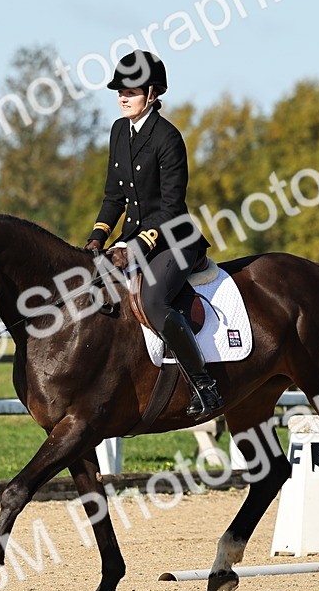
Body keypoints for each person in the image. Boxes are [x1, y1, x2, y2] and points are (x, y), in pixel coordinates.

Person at [84, 50, 224, 419]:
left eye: (130, 90)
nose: (122, 96)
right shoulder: (119, 130)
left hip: (174, 241)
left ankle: (205, 385)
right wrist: (98, 237)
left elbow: (171, 208)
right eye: (119, 90)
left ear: (152, 92)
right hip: (134, 239)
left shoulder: (167, 138)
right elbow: (114, 195)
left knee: (154, 299)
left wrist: (135, 246)